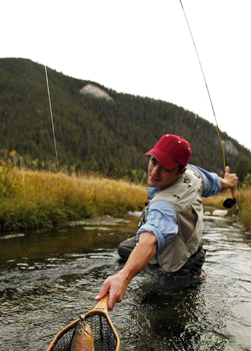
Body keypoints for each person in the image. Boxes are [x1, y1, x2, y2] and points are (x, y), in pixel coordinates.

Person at [95, 133, 238, 310]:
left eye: (165, 168)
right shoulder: (195, 174)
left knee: (154, 303)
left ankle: (196, 276)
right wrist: (229, 182)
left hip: (184, 262)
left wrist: (123, 277)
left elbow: (149, 241)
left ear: (180, 171)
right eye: (154, 162)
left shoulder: (165, 205)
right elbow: (215, 182)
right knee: (124, 249)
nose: (154, 172)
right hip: (187, 240)